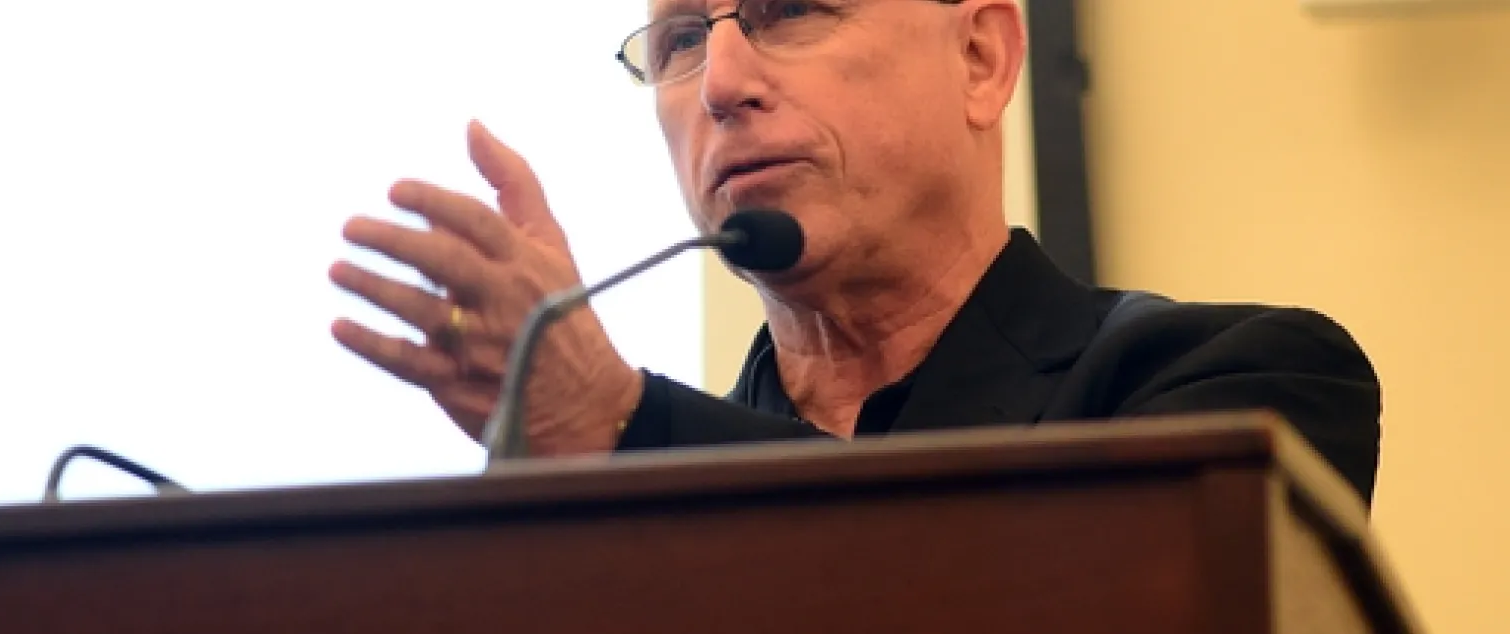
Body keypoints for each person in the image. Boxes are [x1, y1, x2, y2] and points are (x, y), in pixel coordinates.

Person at [326, 0, 1382, 503]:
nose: (720, 81)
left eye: (789, 11)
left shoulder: (1241, 386)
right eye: (682, 39)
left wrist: (622, 427)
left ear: (981, 58)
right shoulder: (597, 487)